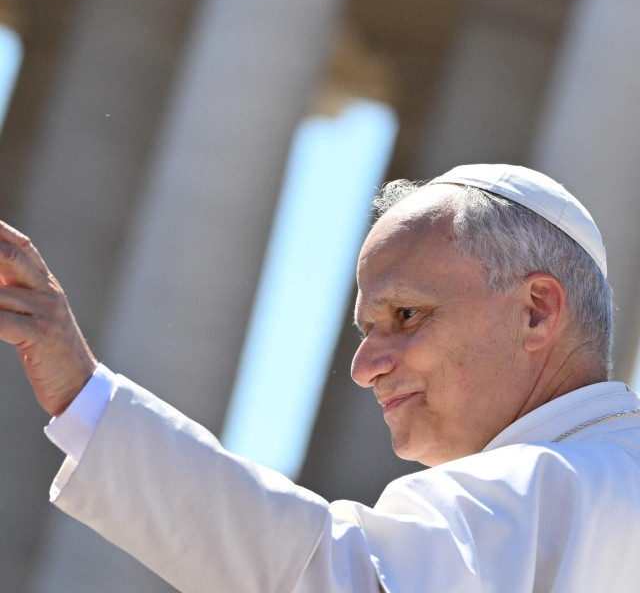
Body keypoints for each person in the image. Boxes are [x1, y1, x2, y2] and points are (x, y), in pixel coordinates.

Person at [2, 163, 640, 592]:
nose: (365, 370)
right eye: (367, 332)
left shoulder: (547, 488)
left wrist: (82, 390)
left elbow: (331, 574)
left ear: (536, 310)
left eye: (407, 315)